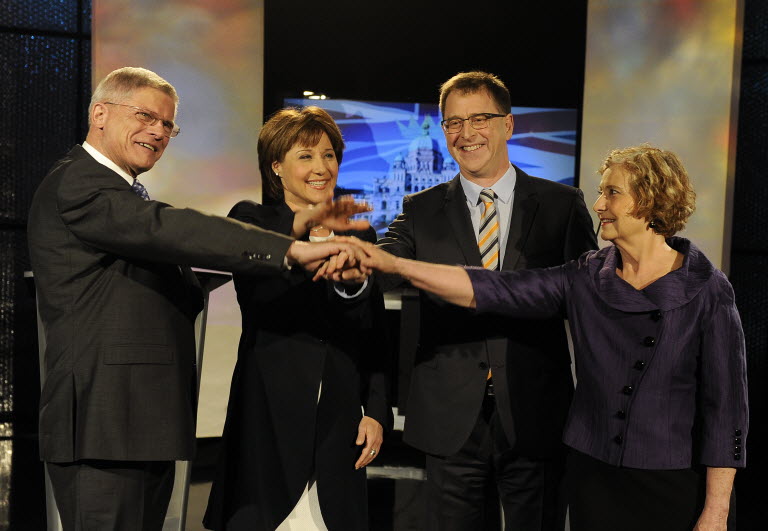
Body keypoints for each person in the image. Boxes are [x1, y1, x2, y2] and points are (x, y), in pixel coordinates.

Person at [26, 67, 369, 531]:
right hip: (102, 426)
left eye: (168, 124)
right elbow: (168, 228)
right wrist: (287, 239)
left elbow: (170, 272)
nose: (158, 132)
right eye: (146, 116)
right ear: (100, 113)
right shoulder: (80, 182)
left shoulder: (118, 193)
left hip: (140, 425)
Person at [353, 144, 749, 531]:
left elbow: (726, 410)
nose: (598, 205)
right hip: (593, 475)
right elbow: (490, 288)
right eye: (600, 192)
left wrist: (716, 511)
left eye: (612, 193)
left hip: (672, 480)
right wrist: (395, 264)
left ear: (650, 201)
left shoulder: (708, 289)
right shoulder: (585, 276)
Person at [373, 71, 597, 530]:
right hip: (450, 420)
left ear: (508, 125)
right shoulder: (419, 209)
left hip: (535, 413)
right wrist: (347, 252)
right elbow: (383, 267)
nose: (465, 133)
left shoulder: (561, 206)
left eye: (479, 119)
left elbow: (587, 300)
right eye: (453, 123)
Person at [203, 106, 392, 531]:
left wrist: (376, 410)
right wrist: (306, 225)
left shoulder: (360, 234)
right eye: (305, 156)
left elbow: (374, 332)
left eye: (329, 155)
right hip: (267, 421)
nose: (321, 167)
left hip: (339, 424)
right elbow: (262, 290)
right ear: (276, 166)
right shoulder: (251, 221)